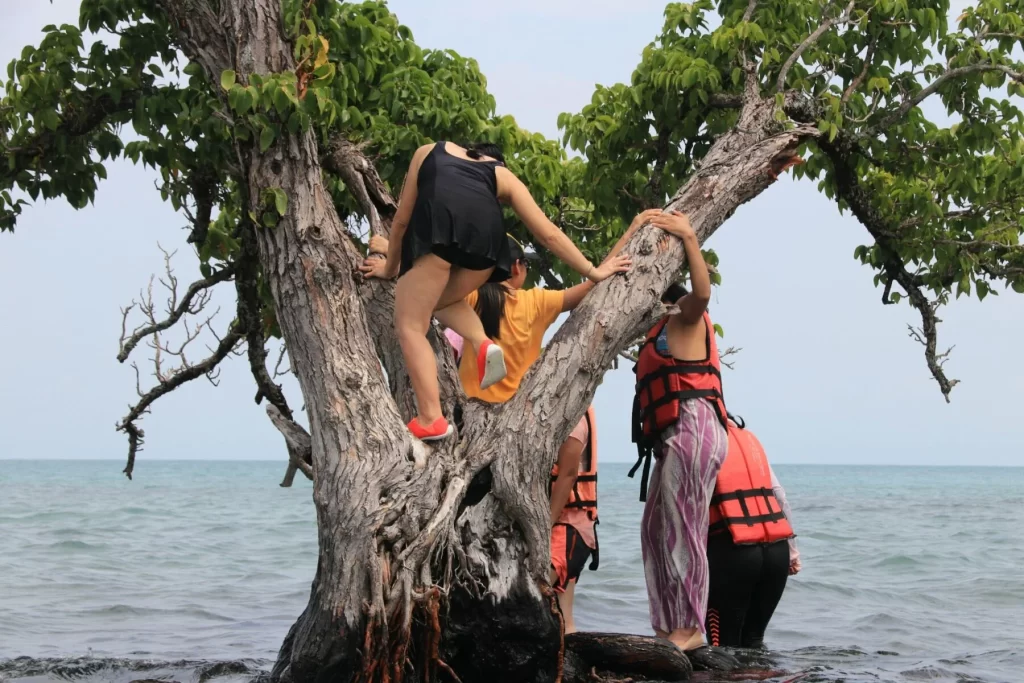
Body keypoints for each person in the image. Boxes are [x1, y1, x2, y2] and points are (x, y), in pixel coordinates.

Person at [359, 141, 630, 441]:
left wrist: (389, 266)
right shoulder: (501, 175)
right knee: (432, 301)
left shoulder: (427, 151)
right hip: (488, 245)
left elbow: (400, 222)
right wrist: (593, 270)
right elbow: (548, 233)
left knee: (410, 323)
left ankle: (430, 419)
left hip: (437, 228)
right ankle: (481, 342)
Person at [630, 210, 727, 652]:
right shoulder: (656, 328)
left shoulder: (685, 317)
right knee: (655, 531)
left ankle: (690, 628)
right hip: (675, 435)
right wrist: (633, 232)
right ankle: (667, 624)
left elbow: (703, 293)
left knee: (686, 530)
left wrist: (689, 236)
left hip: (694, 427)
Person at [705, 415, 800, 649]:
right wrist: (793, 551)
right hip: (777, 551)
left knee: (724, 647)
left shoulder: (699, 443)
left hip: (733, 552)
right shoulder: (747, 441)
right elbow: (780, 496)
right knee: (754, 640)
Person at [549, 406, 598, 633]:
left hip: (569, 528)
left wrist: (544, 525)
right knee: (563, 616)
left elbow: (568, 474)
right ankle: (567, 663)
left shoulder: (573, 416)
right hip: (574, 528)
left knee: (530, 589)